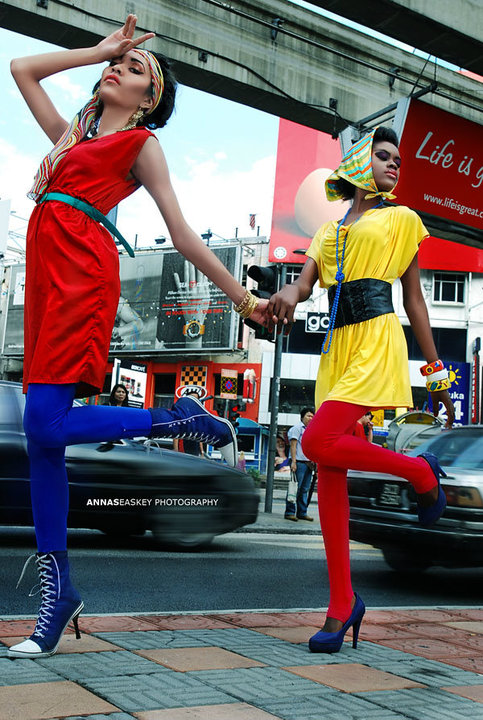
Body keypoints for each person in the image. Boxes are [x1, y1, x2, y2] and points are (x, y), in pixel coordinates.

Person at [9, 15, 267, 659]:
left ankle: (170, 415)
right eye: (118, 65)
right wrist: (98, 50)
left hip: (83, 280)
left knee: (43, 426)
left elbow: (182, 235)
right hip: (44, 283)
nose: (117, 70)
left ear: (149, 99)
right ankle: (56, 593)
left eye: (133, 70)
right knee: (44, 448)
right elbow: (22, 70)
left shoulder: (141, 145)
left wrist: (245, 298)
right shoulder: (72, 137)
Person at [267, 126, 454, 654]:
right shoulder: (328, 235)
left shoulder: (401, 220)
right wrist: (287, 290)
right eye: (384, 157)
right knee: (328, 471)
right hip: (337, 349)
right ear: (357, 163)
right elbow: (305, 285)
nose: (396, 165)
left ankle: (420, 471)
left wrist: (436, 374)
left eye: (399, 160)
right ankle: (341, 604)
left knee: (314, 441)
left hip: (376, 340)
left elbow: (415, 300)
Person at [284, 407, 315, 521]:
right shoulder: (297, 428)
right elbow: (293, 445)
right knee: (294, 488)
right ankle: (290, 512)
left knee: (304, 489)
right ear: (302, 417)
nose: (310, 418)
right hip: (299, 462)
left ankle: (302, 512)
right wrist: (293, 462)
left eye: (312, 416)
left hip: (308, 463)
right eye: (308, 416)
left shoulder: (310, 429)